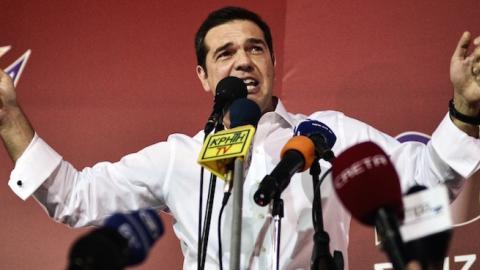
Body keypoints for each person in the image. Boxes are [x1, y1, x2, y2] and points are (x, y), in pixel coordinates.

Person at [1, 6, 479, 270]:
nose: (244, 61)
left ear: (271, 62)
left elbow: (423, 177)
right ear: (204, 77)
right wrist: (9, 118)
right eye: (225, 53)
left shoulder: (329, 132)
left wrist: (465, 109)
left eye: (255, 48)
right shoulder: (178, 157)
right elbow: (76, 196)